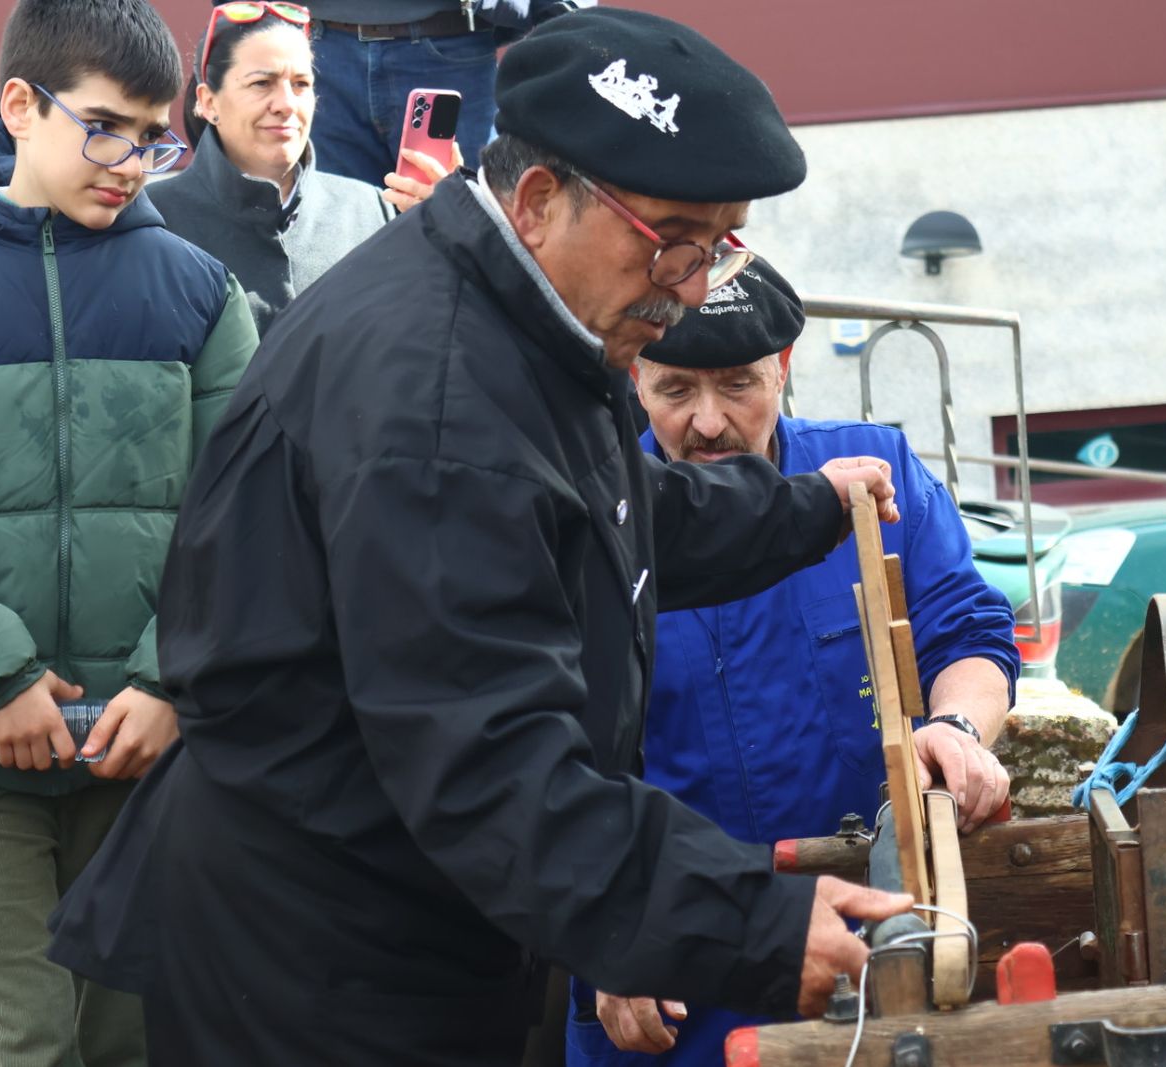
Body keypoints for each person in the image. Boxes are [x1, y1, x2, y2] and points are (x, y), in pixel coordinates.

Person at [49, 9, 914, 1065]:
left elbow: (594, 514)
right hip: (320, 954)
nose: (692, 286)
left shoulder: (526, 303)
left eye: (717, 246)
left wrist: (804, 505)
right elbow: (490, 760)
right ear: (542, 199)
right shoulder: (436, 405)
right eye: (675, 243)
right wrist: (755, 920)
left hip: (411, 912)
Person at [0, 0, 258, 1063]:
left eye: (152, 134)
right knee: (18, 1041)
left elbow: (244, 515)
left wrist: (170, 677)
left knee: (131, 1037)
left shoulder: (199, 294)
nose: (131, 160)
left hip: (142, 752)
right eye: (103, 126)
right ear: (19, 105)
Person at [568, 257, 1021, 1065]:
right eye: (676, 390)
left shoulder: (872, 473)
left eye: (737, 384)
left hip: (871, 944)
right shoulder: (587, 506)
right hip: (664, 962)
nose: (707, 422)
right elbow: (534, 752)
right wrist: (598, 923)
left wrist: (957, 727)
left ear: (783, 367)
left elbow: (970, 633)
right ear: (636, 375)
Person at [152, 3, 421, 336]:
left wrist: (448, 225)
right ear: (208, 102)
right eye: (262, 83)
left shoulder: (370, 210)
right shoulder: (155, 220)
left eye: (301, 84)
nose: (286, 104)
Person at [267, 0, 592, 181]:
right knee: (337, 234)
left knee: (463, 224)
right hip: (321, 50)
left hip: (449, 52)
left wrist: (573, 25)